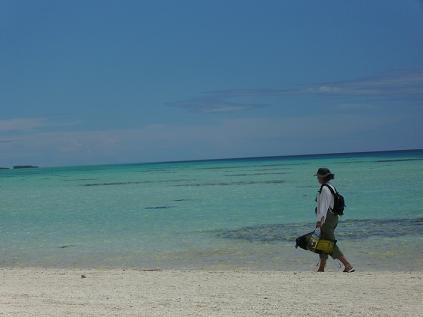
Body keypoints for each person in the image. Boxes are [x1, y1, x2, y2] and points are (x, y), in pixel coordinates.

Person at [315, 168, 355, 273]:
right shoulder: (331, 186)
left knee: (330, 243)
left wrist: (319, 220)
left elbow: (323, 207)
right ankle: (321, 268)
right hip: (333, 217)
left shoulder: (324, 189)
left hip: (327, 218)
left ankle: (348, 265)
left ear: (321, 177)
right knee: (323, 242)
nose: (317, 178)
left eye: (318, 176)